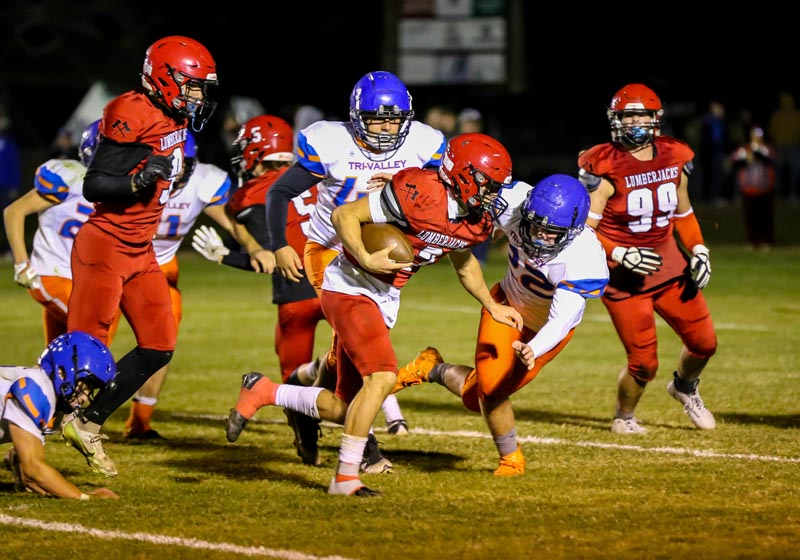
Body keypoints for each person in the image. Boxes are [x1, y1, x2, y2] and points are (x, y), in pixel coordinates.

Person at [229, 132, 523, 496]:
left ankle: (265, 391)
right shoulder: (420, 192)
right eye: (488, 185)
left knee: (346, 408)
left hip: (384, 295)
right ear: (462, 175)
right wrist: (366, 258)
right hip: (350, 285)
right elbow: (344, 214)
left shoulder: (473, 219)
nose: (493, 195)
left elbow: (463, 263)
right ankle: (345, 477)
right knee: (382, 377)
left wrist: (492, 304)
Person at [264, 70, 447, 461]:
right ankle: (365, 448)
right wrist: (279, 245)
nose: (385, 128)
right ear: (355, 116)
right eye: (376, 118)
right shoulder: (331, 142)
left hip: (382, 250)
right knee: (358, 338)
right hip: (329, 248)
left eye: (393, 119)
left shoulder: (423, 144)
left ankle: (302, 396)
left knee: (350, 344)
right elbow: (279, 191)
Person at [60, 35, 219, 477]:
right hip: (106, 246)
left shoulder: (173, 114)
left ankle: (86, 423)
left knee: (159, 345)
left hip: (140, 248)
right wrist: (137, 180)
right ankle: (21, 430)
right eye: (193, 86)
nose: (199, 97)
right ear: (167, 80)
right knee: (83, 361)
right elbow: (95, 185)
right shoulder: (130, 111)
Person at [393, 174, 609, 475]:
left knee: (475, 397)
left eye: (552, 233)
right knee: (492, 391)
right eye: (536, 226)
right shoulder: (514, 201)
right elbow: (456, 188)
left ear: (572, 231)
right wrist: (399, 186)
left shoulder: (584, 258)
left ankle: (431, 368)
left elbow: (561, 320)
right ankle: (511, 458)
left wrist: (533, 348)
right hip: (505, 306)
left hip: (544, 332)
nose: (539, 237)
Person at [577, 83, 717, 435]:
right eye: (628, 115)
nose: (634, 121)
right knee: (643, 363)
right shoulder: (604, 164)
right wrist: (619, 252)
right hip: (624, 274)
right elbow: (584, 229)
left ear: (656, 119)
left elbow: (683, 213)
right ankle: (624, 417)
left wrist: (698, 248)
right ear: (615, 119)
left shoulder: (675, 156)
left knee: (705, 343)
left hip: (668, 263)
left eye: (641, 114)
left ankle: (685, 387)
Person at [192, 113, 328, 465]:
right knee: (359, 363)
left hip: (297, 295)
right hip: (339, 285)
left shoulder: (250, 195)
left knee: (293, 379)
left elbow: (268, 260)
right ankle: (369, 445)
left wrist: (227, 257)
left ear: (255, 152)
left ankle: (308, 441)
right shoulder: (319, 176)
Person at [123, 128, 234, 439]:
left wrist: (256, 247)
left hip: (160, 269)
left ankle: (139, 422)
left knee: (162, 343)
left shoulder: (202, 181)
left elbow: (231, 220)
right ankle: (67, 411)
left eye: (182, 161)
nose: (176, 168)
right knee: (94, 337)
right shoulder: (129, 178)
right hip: (117, 262)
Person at [3, 121, 109, 346]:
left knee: (60, 353)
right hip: (52, 274)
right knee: (92, 338)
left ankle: (40, 381)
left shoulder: (116, 188)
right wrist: (22, 262)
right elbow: (14, 211)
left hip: (79, 280)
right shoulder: (70, 176)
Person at [1, 331, 120, 500]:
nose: (85, 397)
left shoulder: (49, 399)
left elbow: (31, 476)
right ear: (62, 372)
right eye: (85, 386)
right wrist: (84, 497)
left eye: (90, 390)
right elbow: (33, 469)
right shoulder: (34, 390)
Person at [730, 124, 776, 250]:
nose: (757, 138)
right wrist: (746, 159)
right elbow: (734, 163)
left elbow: (770, 160)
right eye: (755, 135)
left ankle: (767, 241)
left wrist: (754, 155)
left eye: (759, 135)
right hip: (748, 189)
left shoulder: (766, 149)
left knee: (765, 217)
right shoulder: (744, 149)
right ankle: (751, 241)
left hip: (764, 189)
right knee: (750, 217)